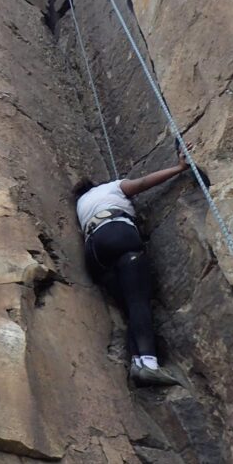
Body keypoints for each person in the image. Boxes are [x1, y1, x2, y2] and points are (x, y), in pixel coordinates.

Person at [73, 145, 193, 387]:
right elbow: (143, 183)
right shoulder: (110, 188)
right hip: (117, 233)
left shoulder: (81, 205)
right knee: (139, 300)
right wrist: (179, 168)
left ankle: (138, 362)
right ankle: (149, 365)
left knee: (130, 306)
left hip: (94, 251)